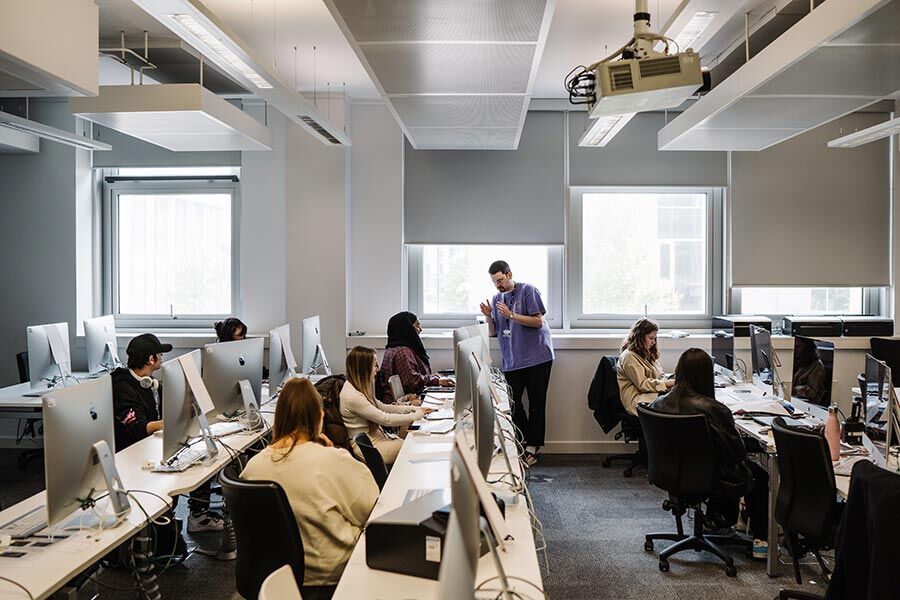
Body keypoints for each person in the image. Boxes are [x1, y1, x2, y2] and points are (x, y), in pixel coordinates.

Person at [242, 378, 378, 600]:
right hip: (332, 577)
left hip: (275, 579)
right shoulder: (332, 460)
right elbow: (372, 509)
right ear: (319, 416)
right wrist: (333, 452)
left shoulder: (252, 467)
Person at [649, 348, 769, 550]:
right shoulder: (714, 409)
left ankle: (718, 520)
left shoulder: (657, 403)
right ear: (706, 375)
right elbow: (736, 454)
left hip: (668, 473)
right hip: (709, 477)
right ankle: (761, 540)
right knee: (759, 476)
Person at [111, 333, 223, 533]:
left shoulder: (150, 382)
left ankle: (198, 515)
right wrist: (171, 423)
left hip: (152, 445)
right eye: (159, 354)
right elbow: (138, 428)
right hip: (134, 453)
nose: (162, 358)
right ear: (150, 359)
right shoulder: (123, 388)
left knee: (200, 454)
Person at [479, 260, 554, 467]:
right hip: (513, 359)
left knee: (537, 404)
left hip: (537, 357)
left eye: (501, 280)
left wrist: (511, 314)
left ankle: (533, 447)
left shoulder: (528, 290)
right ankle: (520, 442)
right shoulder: (496, 299)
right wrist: (489, 316)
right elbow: (494, 332)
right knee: (513, 403)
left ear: (509, 274)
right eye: (494, 282)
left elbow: (538, 321)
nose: (498, 285)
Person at [340, 346, 430, 466]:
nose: (377, 369)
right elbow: (385, 419)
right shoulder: (352, 396)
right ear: (363, 369)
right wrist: (416, 415)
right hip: (370, 447)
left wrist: (414, 409)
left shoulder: (359, 385)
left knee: (416, 439)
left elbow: (382, 407)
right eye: (374, 365)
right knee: (413, 445)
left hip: (378, 438)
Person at [376, 311, 452, 403]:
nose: (420, 329)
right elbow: (412, 382)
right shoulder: (403, 352)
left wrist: (430, 377)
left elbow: (409, 376)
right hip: (401, 404)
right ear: (407, 328)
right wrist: (436, 381)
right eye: (417, 325)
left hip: (402, 401)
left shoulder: (394, 348)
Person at [617, 318, 674, 416]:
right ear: (640, 337)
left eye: (655, 339)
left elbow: (660, 375)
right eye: (651, 338)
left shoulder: (647, 352)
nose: (654, 342)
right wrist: (668, 383)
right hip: (638, 399)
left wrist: (671, 382)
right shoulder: (629, 356)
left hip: (651, 394)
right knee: (676, 405)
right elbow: (643, 384)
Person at [791, 337, 827, 406]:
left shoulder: (817, 365)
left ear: (807, 347)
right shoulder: (796, 360)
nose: (795, 349)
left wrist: (794, 390)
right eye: (794, 346)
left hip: (808, 405)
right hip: (794, 400)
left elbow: (812, 392)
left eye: (798, 346)